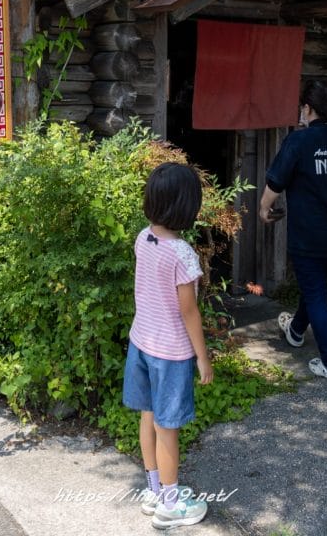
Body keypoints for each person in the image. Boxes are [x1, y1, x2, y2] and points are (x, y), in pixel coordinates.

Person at [122, 162, 214, 530]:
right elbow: (189, 311)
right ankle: (171, 503)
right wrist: (203, 358)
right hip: (171, 353)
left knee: (148, 416)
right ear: (185, 206)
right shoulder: (182, 253)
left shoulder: (143, 238)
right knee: (167, 427)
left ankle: (154, 489)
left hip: (141, 341)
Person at [259, 79, 327, 381]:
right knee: (314, 284)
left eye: (302, 107)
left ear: (308, 108)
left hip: (309, 234)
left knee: (316, 292)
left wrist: (264, 209)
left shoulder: (298, 141)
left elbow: (276, 181)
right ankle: (296, 330)